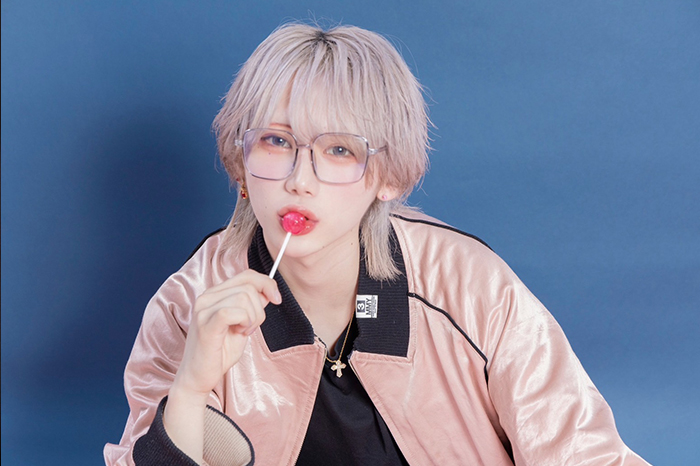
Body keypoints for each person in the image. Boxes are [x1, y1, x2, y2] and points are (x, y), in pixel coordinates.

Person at [104, 22, 650, 466]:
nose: (300, 179)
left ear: (387, 177)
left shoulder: (471, 288)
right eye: (276, 141)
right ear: (241, 163)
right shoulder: (189, 305)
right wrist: (191, 388)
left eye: (339, 150)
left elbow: (587, 455)